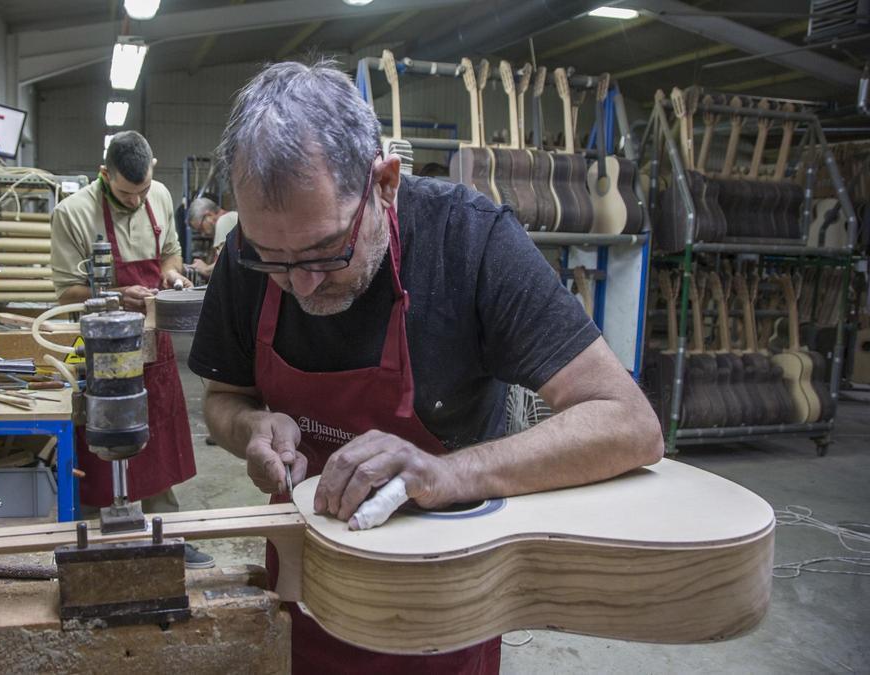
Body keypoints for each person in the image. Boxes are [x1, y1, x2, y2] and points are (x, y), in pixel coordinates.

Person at [188, 61, 663, 672]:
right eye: (273, 260)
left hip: (444, 602)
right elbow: (224, 398)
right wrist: (250, 429)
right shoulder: (248, 252)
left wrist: (445, 474)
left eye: (325, 251)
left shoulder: (471, 241)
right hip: (307, 585)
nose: (302, 284)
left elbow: (628, 423)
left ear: (385, 181)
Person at [51, 130, 214, 569]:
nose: (137, 200)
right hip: (102, 349)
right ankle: (99, 546)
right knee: (101, 445)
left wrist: (171, 276)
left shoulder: (158, 195)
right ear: (106, 175)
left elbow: (172, 255)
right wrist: (117, 294)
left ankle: (167, 540)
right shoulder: (73, 213)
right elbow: (66, 291)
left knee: (158, 444)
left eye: (142, 190)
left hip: (153, 343)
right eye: (126, 192)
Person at [186, 197, 238, 280]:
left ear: (209, 215)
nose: (203, 234)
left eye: (201, 228)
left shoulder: (224, 220)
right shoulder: (231, 218)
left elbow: (223, 265)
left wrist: (205, 269)